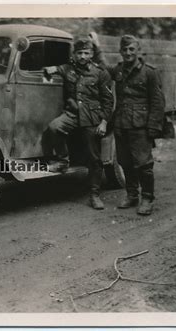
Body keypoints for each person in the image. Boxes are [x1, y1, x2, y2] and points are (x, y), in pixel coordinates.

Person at [90, 33, 165, 215]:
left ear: (138, 50)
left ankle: (147, 198)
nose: (128, 52)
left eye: (132, 49)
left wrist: (153, 128)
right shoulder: (119, 70)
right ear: (120, 52)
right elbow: (103, 67)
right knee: (125, 162)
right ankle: (132, 195)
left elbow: (157, 102)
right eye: (124, 49)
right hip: (121, 124)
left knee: (143, 164)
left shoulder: (150, 72)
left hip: (140, 126)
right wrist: (97, 46)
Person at [43, 37, 113, 210]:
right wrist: (49, 70)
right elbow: (53, 70)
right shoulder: (67, 69)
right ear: (74, 54)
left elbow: (108, 100)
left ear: (91, 55)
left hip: (92, 117)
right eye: (79, 53)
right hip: (73, 114)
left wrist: (103, 122)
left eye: (86, 53)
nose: (82, 56)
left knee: (94, 158)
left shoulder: (100, 73)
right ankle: (62, 160)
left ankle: (94, 194)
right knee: (54, 127)